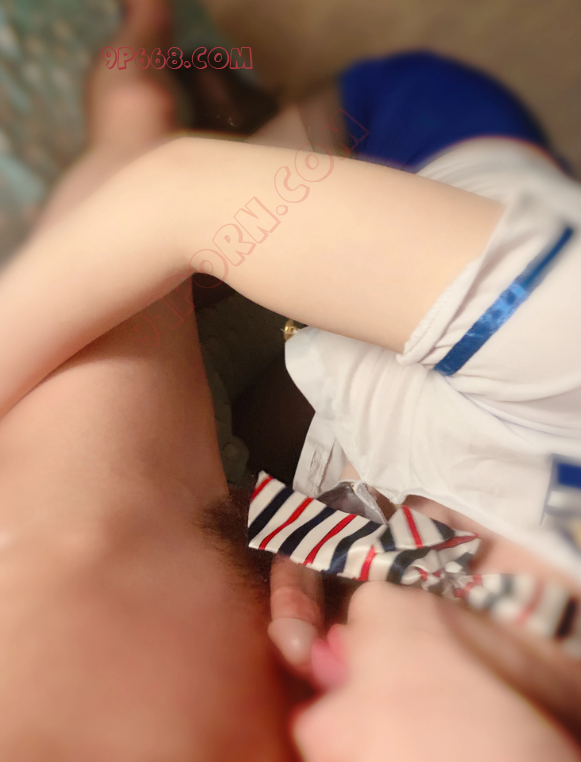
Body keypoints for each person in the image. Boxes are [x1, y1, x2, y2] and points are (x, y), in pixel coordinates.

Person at [1, 2, 581, 759]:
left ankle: (192, 116)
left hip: (377, 400)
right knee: (208, 176)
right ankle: (179, 79)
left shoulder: (482, 643)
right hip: (409, 132)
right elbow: (178, 197)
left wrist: (399, 554)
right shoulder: (561, 338)